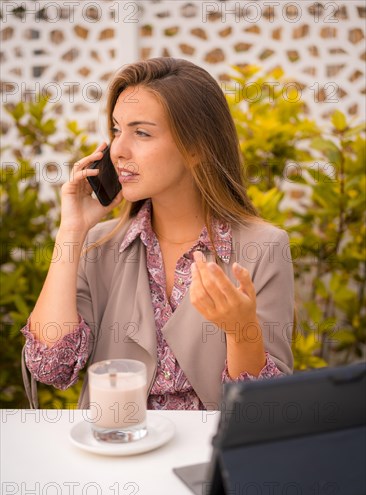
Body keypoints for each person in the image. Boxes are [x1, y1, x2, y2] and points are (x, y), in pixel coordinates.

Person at [21, 57, 294, 410]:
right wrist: (71, 230)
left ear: (196, 148)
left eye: (142, 132)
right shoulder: (98, 244)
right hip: (116, 450)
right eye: (117, 130)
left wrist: (241, 330)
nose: (118, 149)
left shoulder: (265, 248)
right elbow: (51, 368)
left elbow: (264, 409)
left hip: (208, 458)